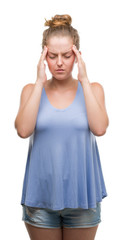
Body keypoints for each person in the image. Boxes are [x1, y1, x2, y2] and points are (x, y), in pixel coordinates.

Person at [15, 14, 108, 240]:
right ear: (43, 57)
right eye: (52, 56)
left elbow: (99, 128)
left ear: (76, 56)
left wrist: (84, 80)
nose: (59, 62)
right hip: (41, 197)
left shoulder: (93, 89)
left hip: (82, 197)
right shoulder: (31, 90)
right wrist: (39, 82)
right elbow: (23, 130)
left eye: (66, 56)